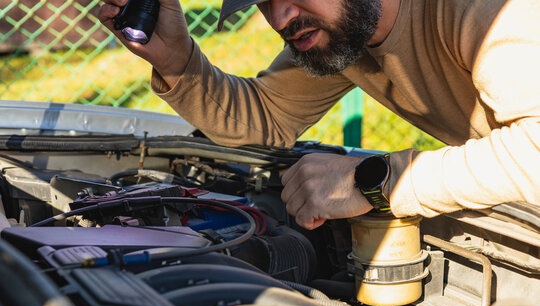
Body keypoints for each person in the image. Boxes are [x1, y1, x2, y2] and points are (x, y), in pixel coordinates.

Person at [99, 0, 539, 230]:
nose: (280, 16)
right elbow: (267, 115)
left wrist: (377, 181)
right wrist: (178, 61)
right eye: (262, 1)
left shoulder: (488, 10)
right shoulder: (343, 31)